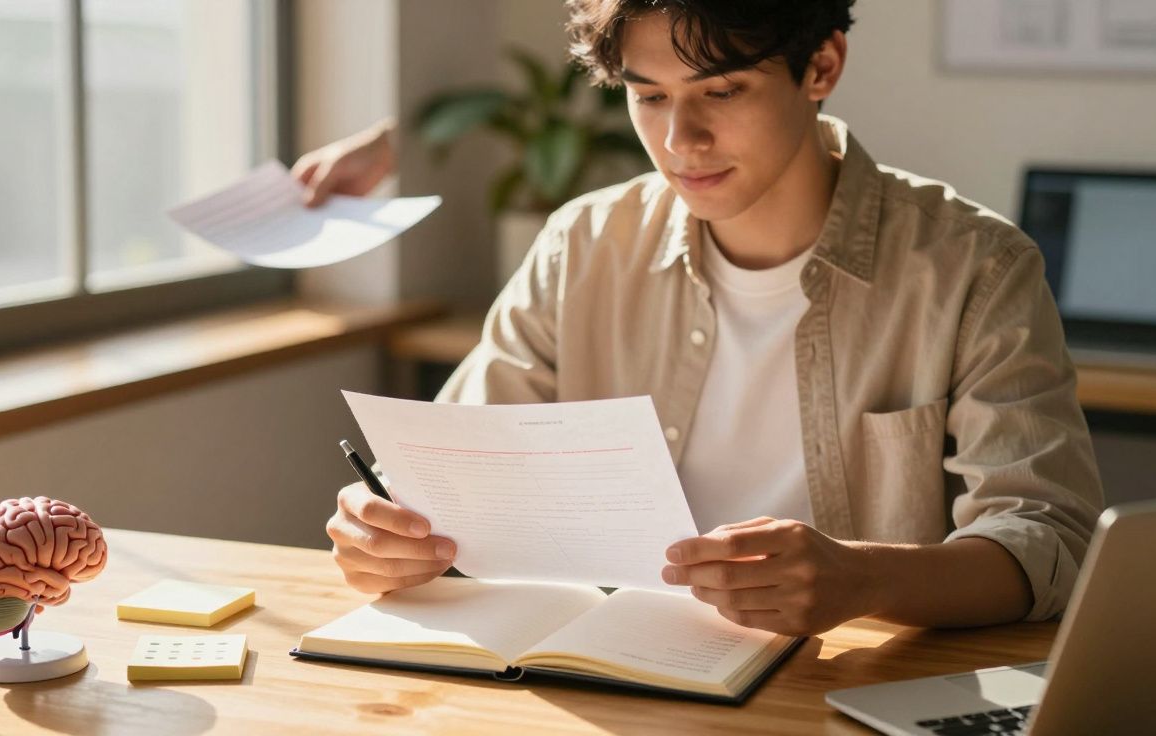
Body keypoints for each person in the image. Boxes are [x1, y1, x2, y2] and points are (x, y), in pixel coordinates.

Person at [319, 0, 1104, 637]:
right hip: (612, 675)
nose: (678, 141)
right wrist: (385, 530)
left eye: (721, 92)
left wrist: (863, 578)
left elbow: (1048, 541)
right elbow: (448, 473)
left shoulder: (976, 266)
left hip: (848, 690)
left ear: (822, 66)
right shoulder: (584, 246)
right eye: (649, 96)